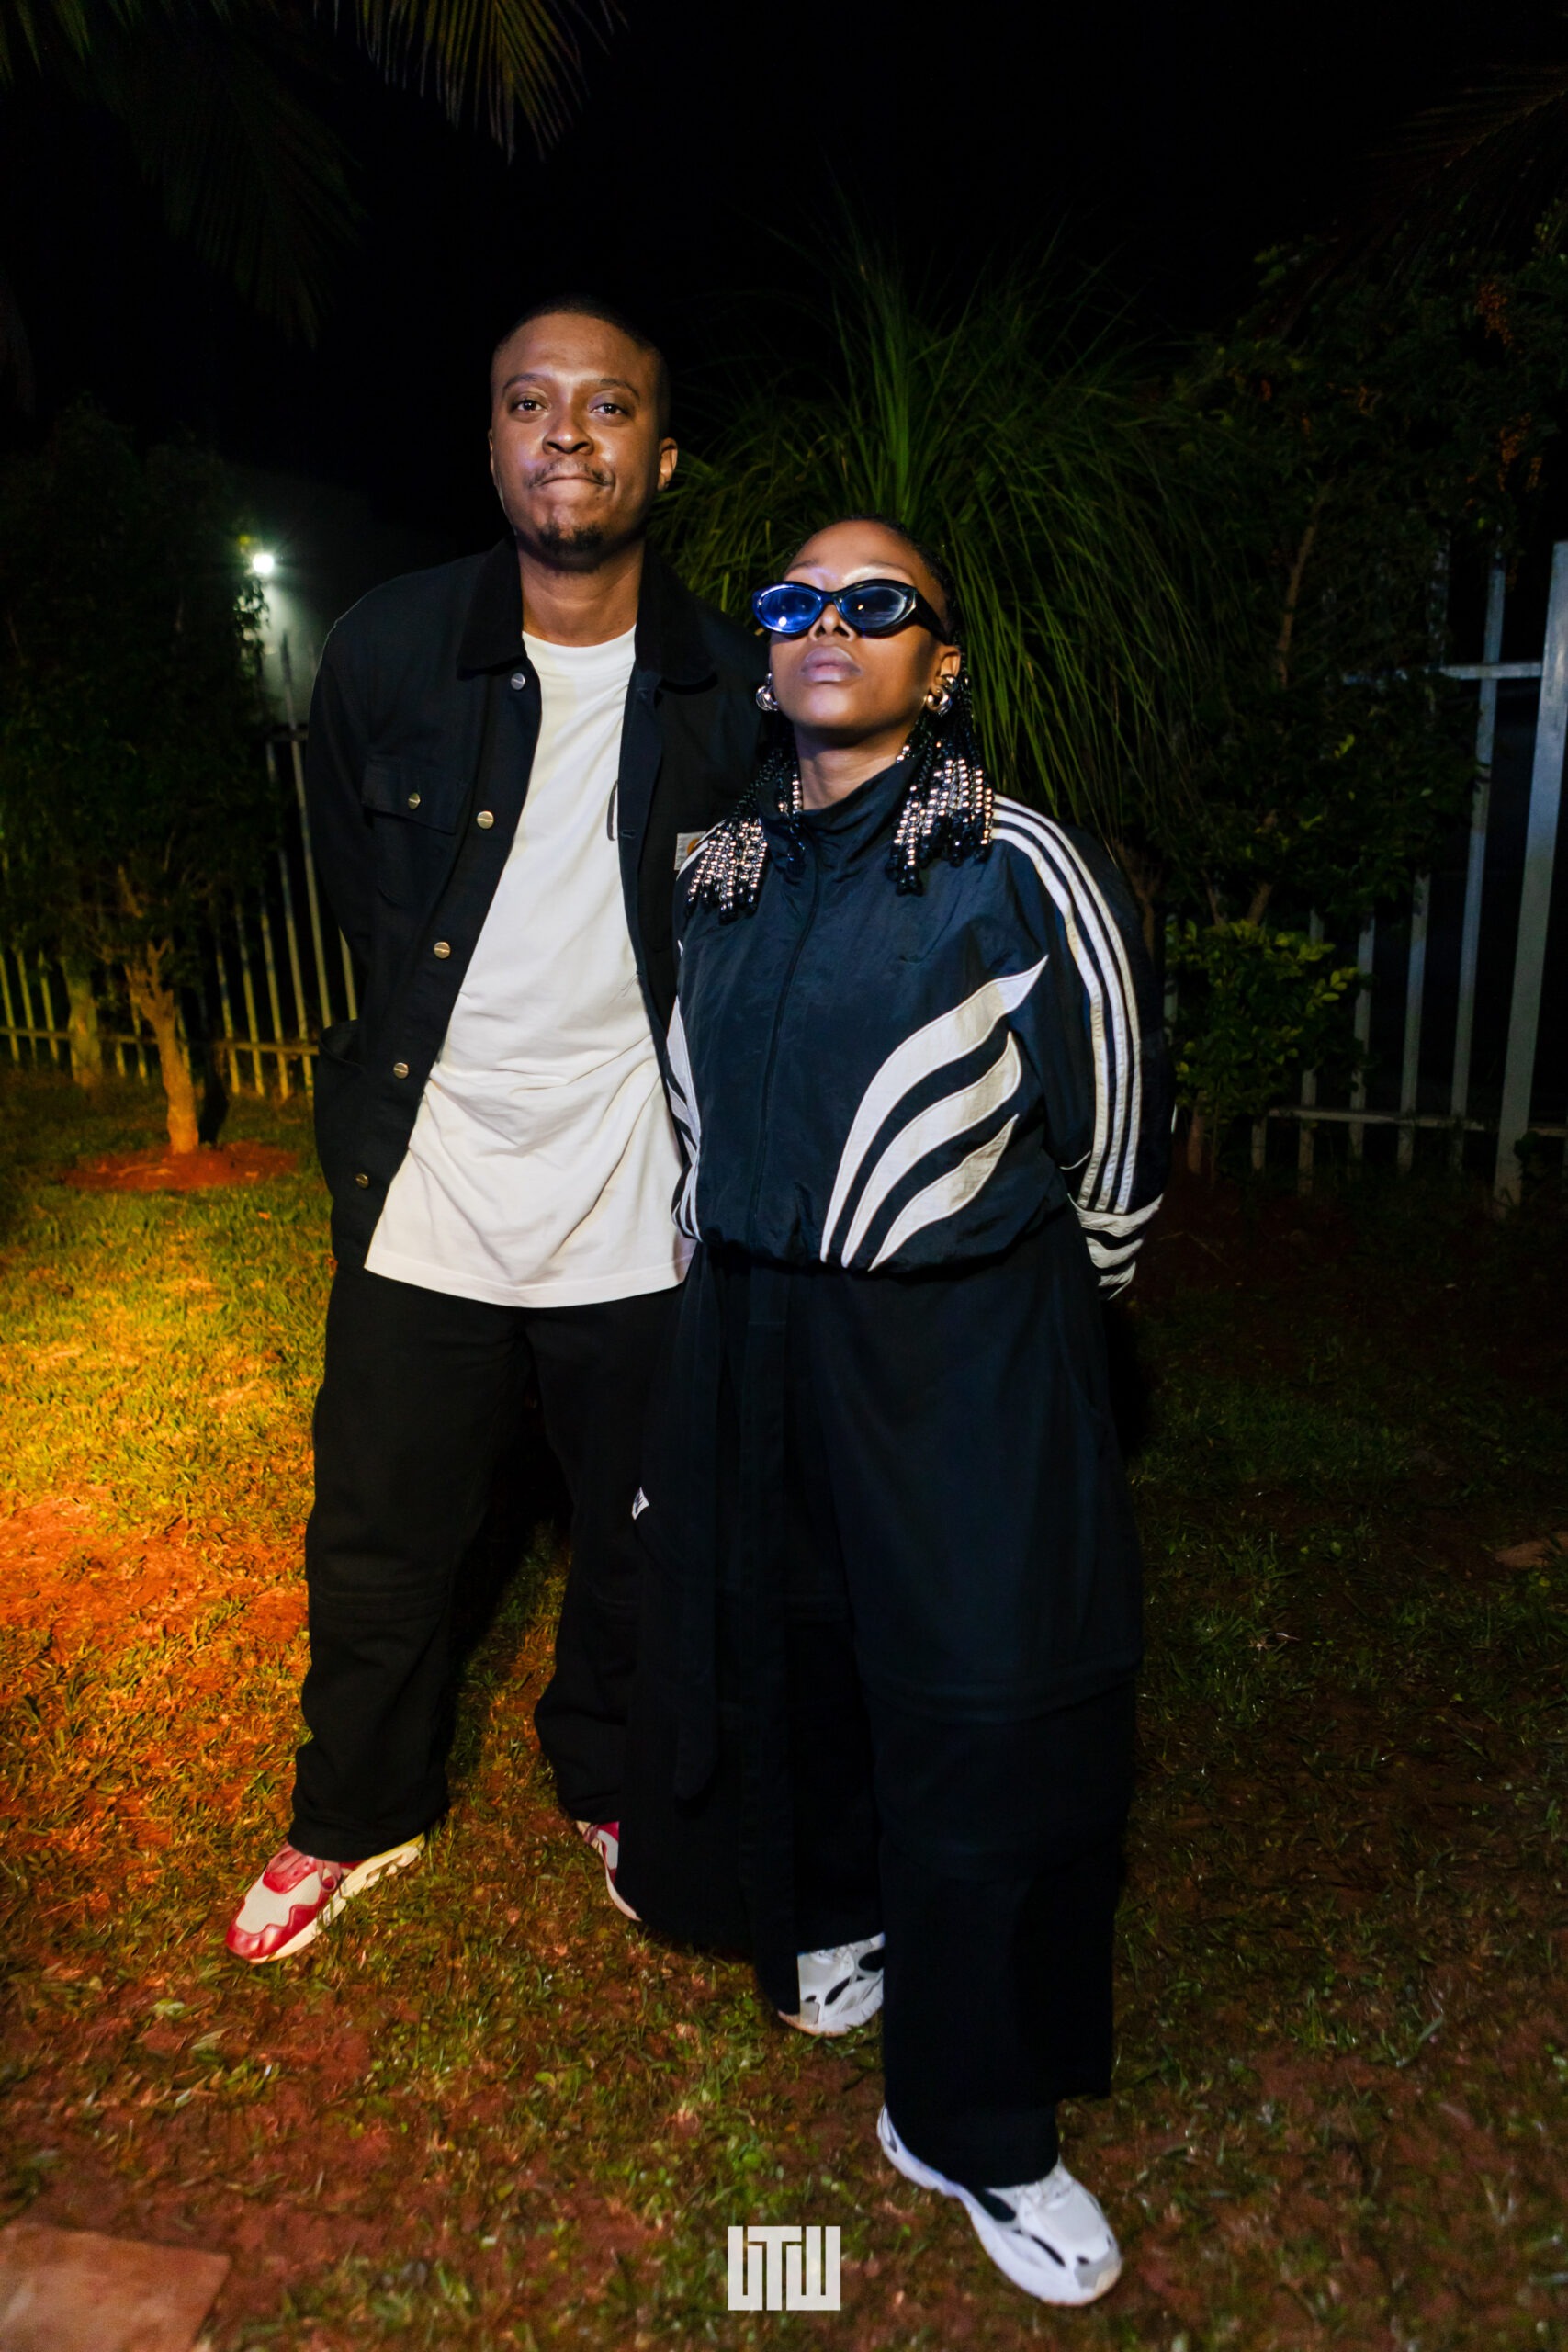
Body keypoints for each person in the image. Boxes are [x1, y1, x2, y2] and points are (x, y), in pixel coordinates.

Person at [618, 515, 1171, 2305]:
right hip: (753, 1330)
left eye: (877, 603)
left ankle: (971, 2119)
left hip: (959, 1349)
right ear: (765, 653)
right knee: (793, 1656)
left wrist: (1033, 1321)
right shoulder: (713, 869)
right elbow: (690, 1108)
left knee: (986, 1716)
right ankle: (838, 1919)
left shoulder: (1015, 860)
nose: (827, 625)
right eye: (794, 603)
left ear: (941, 664)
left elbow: (1114, 1142)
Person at [224, 298, 762, 1964]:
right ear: (490, 443)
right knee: (378, 1534)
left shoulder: (729, 683)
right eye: (532, 403)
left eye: (608, 406)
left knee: (638, 1538)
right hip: (431, 1183)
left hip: (638, 1194)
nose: (567, 434)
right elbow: (358, 887)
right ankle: (355, 1810)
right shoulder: (390, 649)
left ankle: (610, 1775)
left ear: (662, 457)